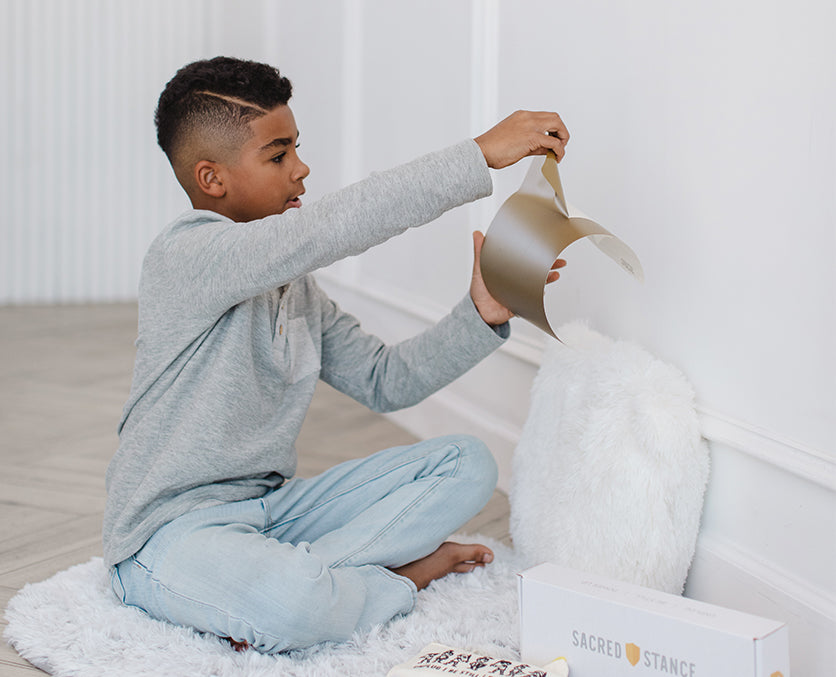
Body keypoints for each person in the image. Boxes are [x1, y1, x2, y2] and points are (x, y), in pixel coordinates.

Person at [103, 56, 569, 654]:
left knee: (469, 463)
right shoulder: (183, 255)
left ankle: (309, 583)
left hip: (273, 512)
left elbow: (386, 381)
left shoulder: (294, 290)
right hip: (170, 532)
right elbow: (327, 231)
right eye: (277, 156)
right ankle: (380, 582)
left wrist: (481, 310)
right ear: (211, 179)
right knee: (295, 607)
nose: (301, 169)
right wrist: (476, 155)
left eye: (296, 148)